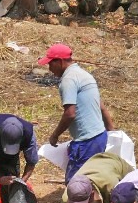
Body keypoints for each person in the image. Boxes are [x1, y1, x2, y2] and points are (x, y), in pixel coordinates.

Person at [39, 44, 116, 181]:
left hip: (86, 141)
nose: (49, 68)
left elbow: (70, 113)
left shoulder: (68, 80)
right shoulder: (85, 75)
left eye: (50, 64)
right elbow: (101, 106)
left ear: (60, 61)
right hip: (99, 136)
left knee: (75, 183)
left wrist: (55, 135)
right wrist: (111, 132)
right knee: (95, 177)